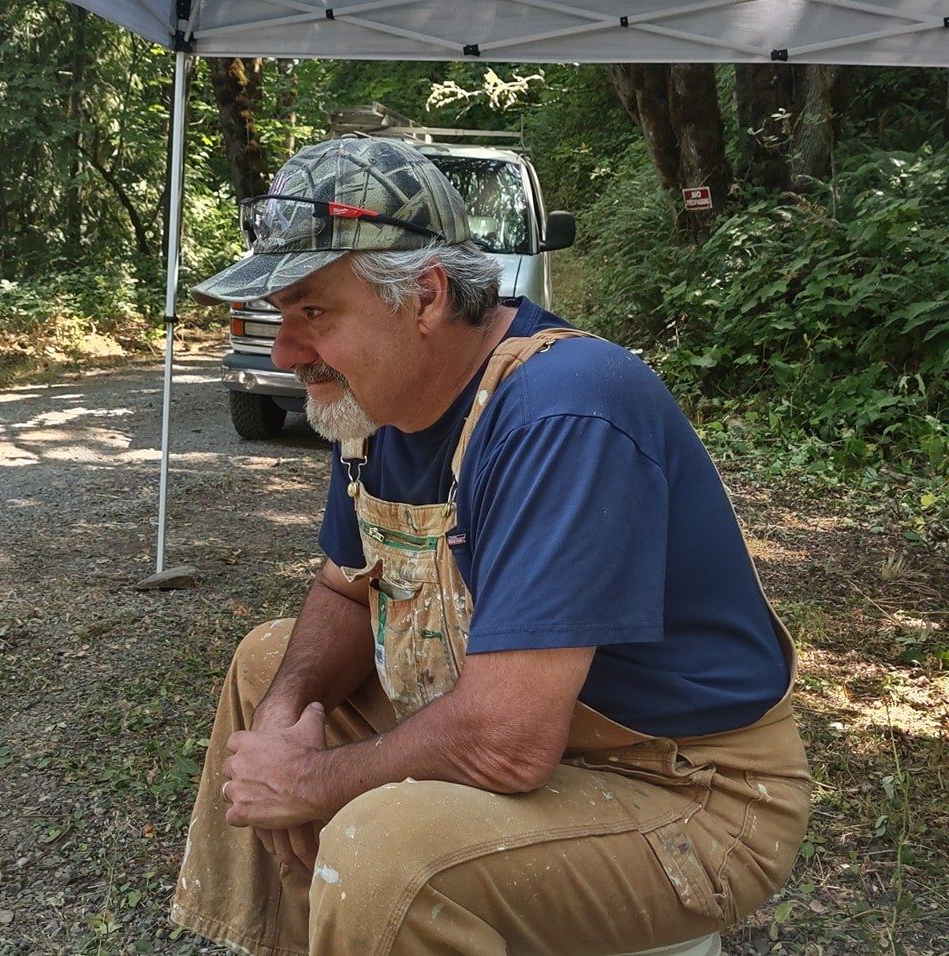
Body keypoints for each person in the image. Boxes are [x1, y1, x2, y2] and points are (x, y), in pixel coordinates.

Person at [171, 136, 810, 956]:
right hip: (531, 727)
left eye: (312, 313)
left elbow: (505, 744)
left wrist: (309, 780)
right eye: (279, 317)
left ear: (427, 297)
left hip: (688, 790)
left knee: (389, 856)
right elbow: (342, 589)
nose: (287, 352)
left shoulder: (564, 412)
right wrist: (285, 721)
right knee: (266, 666)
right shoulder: (372, 403)